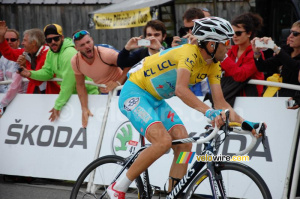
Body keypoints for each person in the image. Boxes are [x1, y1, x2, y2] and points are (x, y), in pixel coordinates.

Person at [108, 17, 265, 199]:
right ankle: (118, 188)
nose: (230, 47)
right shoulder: (188, 54)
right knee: (162, 142)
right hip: (134, 94)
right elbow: (181, 90)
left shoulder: (213, 64)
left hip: (156, 100)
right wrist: (208, 111)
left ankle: (173, 194)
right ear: (212, 44)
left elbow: (221, 103)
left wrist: (248, 124)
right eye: (226, 42)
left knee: (184, 145)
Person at [18, 24, 99, 122]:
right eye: (49, 40)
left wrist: (57, 106)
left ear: (62, 38)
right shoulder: (51, 53)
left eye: (56, 39)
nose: (53, 42)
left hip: (90, 97)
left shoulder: (69, 54)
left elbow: (68, 84)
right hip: (73, 98)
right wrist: (30, 74)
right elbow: (47, 72)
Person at [71, 30, 130, 127]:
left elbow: (130, 65)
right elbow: (80, 85)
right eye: (82, 45)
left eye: (88, 42)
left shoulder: (105, 53)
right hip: (105, 93)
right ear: (76, 48)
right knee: (109, 125)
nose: (87, 46)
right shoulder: (75, 61)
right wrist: (84, 108)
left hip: (123, 89)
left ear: (92, 40)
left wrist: (118, 83)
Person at [0, 21, 60, 95]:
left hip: (50, 95)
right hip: (36, 95)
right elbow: (8, 53)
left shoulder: (47, 54)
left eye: (24, 40)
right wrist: (1, 37)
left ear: (34, 42)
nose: (22, 43)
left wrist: (25, 66)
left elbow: (38, 80)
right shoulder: (27, 52)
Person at [220, 12, 265, 106]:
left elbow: (241, 75)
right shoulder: (230, 50)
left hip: (251, 101)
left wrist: (222, 56)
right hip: (230, 97)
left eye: (238, 33)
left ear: (249, 33)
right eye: (232, 33)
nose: (234, 36)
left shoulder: (256, 53)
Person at [251, 20, 300, 97]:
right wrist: (257, 53)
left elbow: (295, 66)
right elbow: (262, 67)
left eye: (295, 34)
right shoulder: (287, 50)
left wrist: (274, 47)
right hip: (283, 99)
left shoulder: (283, 52)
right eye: (290, 32)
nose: (290, 36)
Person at [0, 29, 28, 117]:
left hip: (22, 98)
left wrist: (2, 104)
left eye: (12, 40)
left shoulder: (23, 56)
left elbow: (16, 86)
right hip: (6, 97)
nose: (9, 42)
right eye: (6, 40)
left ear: (18, 41)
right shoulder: (2, 58)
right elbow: (1, 77)